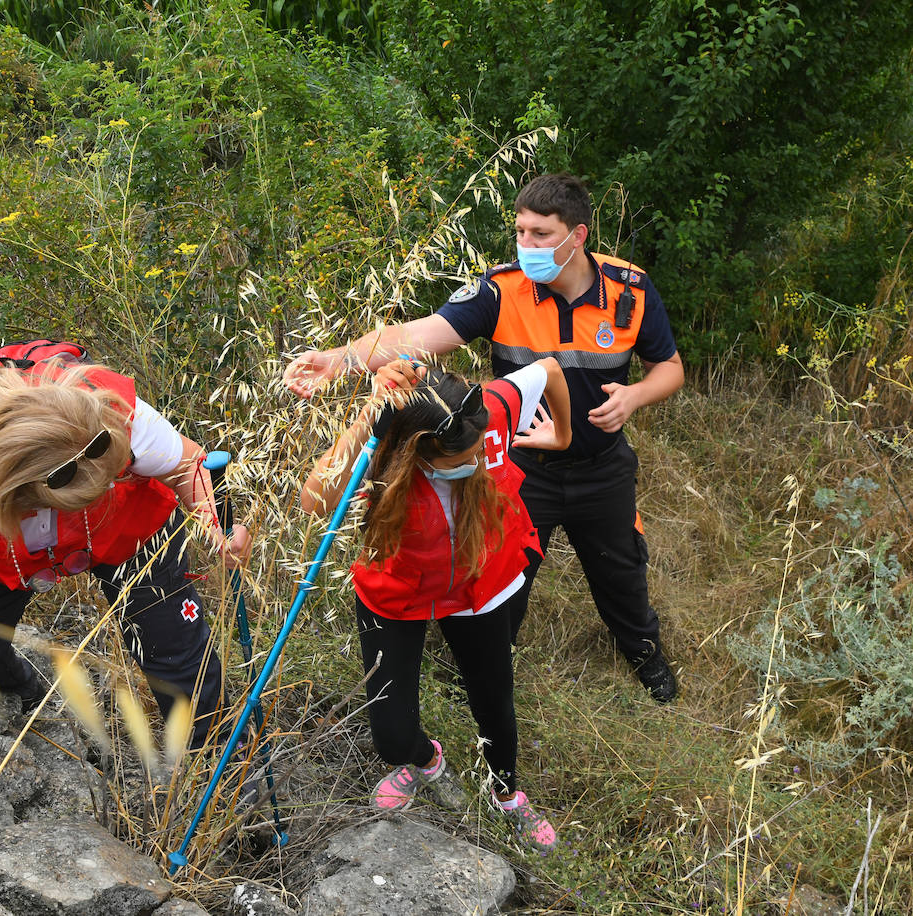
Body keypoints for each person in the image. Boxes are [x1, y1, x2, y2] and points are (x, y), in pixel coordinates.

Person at [283, 173, 684, 703]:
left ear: (578, 235)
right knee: (500, 583)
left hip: (601, 466)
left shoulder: (629, 289)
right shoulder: (503, 291)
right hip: (521, 471)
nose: (527, 246)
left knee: (623, 576)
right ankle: (477, 669)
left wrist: (634, 397)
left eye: (541, 234)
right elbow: (414, 336)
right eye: (520, 232)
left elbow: (670, 369)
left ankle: (644, 655)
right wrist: (338, 362)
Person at [0, 340, 250, 787]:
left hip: (131, 530)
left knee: (178, 656)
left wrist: (216, 521)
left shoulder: (117, 412)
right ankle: (25, 705)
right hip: (3, 550)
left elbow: (189, 464)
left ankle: (224, 771)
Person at [300, 356, 572, 852]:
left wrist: (563, 436)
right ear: (417, 454)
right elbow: (314, 501)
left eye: (477, 449)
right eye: (458, 460)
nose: (474, 462)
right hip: (398, 590)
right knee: (391, 735)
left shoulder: (485, 410)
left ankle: (506, 795)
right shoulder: (385, 454)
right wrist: (369, 416)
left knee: (494, 703)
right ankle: (425, 761)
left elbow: (551, 370)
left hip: (480, 584)